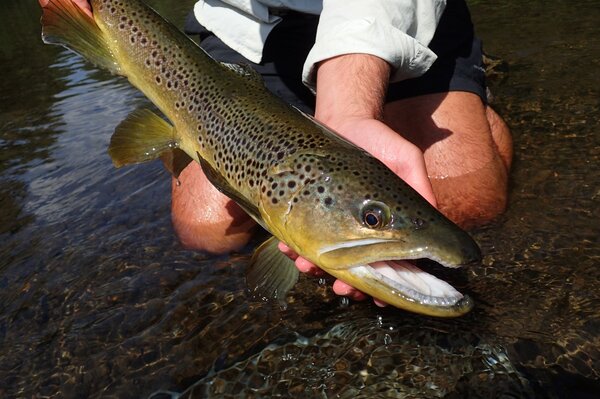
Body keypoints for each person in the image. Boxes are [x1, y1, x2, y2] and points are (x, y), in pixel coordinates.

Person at [72, 0, 512, 305]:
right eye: (373, 220)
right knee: (205, 231)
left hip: (401, 18)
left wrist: (346, 111)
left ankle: (476, 111)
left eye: (372, 219)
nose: (374, 222)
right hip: (249, 22)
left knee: (469, 202)